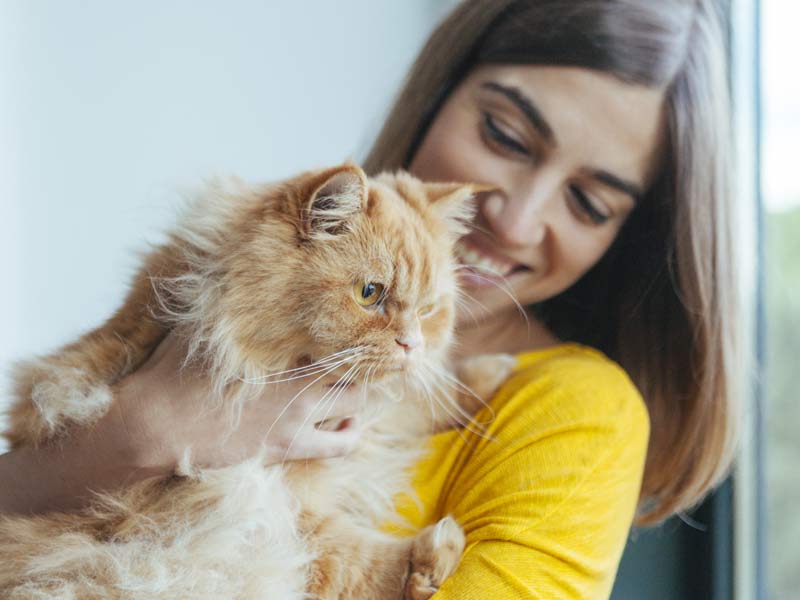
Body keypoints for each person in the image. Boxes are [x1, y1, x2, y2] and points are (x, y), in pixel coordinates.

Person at [0, 0, 739, 597]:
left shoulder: (581, 412)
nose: (513, 220)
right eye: (505, 135)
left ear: (628, 240)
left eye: (588, 201)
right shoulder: (275, 248)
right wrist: (141, 433)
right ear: (440, 89)